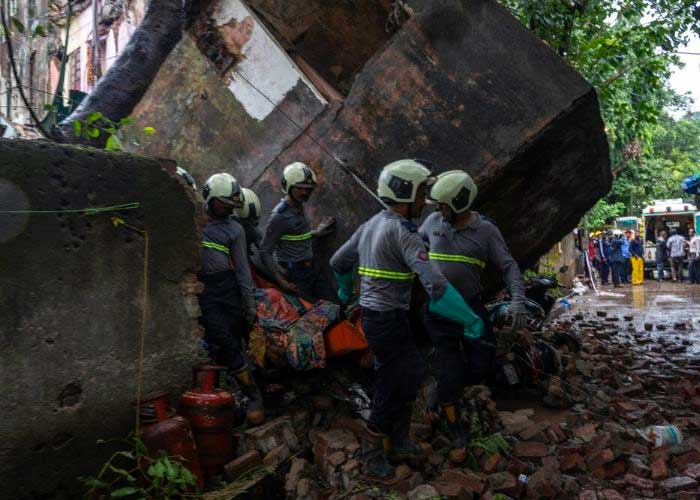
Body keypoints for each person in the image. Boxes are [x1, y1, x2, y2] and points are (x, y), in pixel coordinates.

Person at [330, 159, 484, 481]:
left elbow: (338, 262)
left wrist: (345, 293)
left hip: (378, 318)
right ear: (406, 192)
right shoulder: (405, 234)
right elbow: (437, 287)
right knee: (392, 381)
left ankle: (398, 441)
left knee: (412, 373)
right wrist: (470, 320)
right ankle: (373, 457)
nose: (424, 202)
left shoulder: (369, 225)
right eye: (420, 194)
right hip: (386, 320)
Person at [419, 170, 526, 463]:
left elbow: (508, 266)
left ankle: (443, 386)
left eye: (443, 205)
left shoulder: (486, 231)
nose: (439, 211)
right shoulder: (433, 222)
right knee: (450, 364)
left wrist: (518, 299)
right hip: (439, 310)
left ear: (460, 203)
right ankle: (455, 430)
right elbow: (411, 248)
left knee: (484, 361)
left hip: (470, 309)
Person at [198, 173, 264, 425]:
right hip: (207, 292)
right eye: (223, 203)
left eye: (231, 205)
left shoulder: (235, 229)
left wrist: (249, 304)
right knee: (222, 340)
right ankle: (252, 395)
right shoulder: (195, 221)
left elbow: (243, 270)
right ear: (210, 199)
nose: (228, 209)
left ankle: (245, 392)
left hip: (228, 287)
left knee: (237, 337)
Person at [260, 162, 336, 301]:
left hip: (312, 267)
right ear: (288, 187)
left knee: (334, 305)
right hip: (296, 274)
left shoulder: (299, 206)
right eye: (300, 188)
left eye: (308, 189)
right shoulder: (279, 216)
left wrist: (317, 232)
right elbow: (265, 251)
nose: (305, 192)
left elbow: (295, 235)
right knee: (316, 316)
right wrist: (281, 280)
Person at [233, 187, 263, 256]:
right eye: (248, 221)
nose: (251, 224)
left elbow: (264, 250)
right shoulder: (230, 228)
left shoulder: (252, 230)